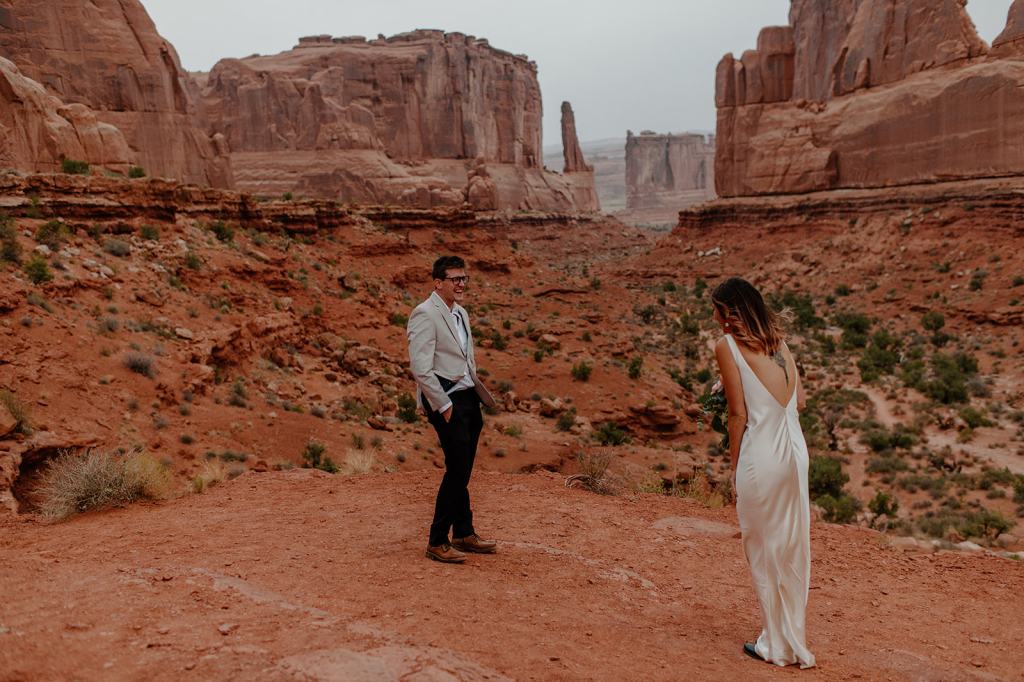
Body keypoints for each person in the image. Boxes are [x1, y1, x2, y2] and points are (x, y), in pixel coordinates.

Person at [711, 277, 816, 669]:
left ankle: (775, 644)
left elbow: (739, 416)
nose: (713, 316)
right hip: (795, 452)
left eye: (716, 310)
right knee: (791, 547)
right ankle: (790, 637)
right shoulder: (779, 343)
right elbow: (799, 402)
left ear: (728, 314)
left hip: (764, 455)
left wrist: (736, 468)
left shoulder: (727, 346)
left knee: (761, 546)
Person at [407, 255, 497, 564]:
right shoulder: (424, 313)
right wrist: (443, 405)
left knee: (464, 467)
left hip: (468, 397)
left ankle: (463, 532)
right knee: (457, 468)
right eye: (455, 279)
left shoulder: (461, 313)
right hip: (445, 400)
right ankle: (436, 540)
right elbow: (420, 367)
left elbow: (464, 355)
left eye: (464, 279)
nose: (461, 284)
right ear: (438, 283)